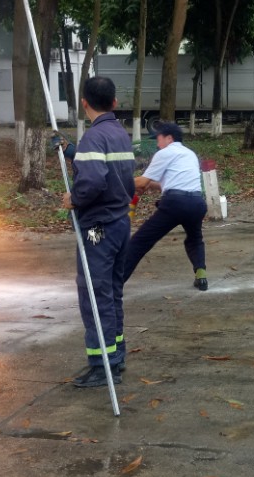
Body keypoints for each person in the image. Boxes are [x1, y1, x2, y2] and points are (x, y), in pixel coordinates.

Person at [61, 76, 136, 388]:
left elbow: (92, 180)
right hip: (120, 224)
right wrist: (71, 152)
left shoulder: (94, 137)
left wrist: (74, 198)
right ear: (114, 103)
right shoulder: (120, 134)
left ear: (84, 103)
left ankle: (103, 364)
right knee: (112, 291)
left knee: (94, 293)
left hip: (97, 230)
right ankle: (116, 353)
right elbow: (109, 170)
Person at [123, 122, 209, 291]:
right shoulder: (190, 154)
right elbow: (167, 184)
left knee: (140, 241)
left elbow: (142, 182)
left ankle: (114, 283)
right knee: (195, 238)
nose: (157, 143)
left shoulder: (165, 153)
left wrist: (119, 183)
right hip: (197, 203)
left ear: (169, 138)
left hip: (175, 204)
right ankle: (201, 275)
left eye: (159, 139)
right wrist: (148, 185)